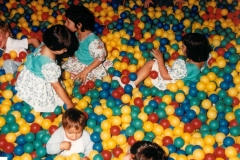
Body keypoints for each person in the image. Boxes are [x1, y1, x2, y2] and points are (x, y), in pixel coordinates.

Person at [113, 33, 211, 90]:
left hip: (170, 83)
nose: (181, 48)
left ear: (190, 51)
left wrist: (160, 59)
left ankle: (132, 83)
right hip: (182, 85)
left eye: (183, 47)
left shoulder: (185, 68)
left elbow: (166, 76)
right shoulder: (203, 60)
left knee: (151, 62)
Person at [15, 25, 76, 112]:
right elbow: (56, 86)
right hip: (38, 84)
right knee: (51, 103)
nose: (65, 51)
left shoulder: (44, 44)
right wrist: (69, 104)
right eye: (64, 49)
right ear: (54, 48)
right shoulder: (49, 65)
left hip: (30, 77)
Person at [62, 5, 112, 84]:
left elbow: (100, 58)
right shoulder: (76, 33)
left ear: (79, 25)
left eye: (68, 22)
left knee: (81, 81)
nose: (65, 24)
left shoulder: (92, 40)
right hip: (78, 61)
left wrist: (85, 71)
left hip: (90, 66)